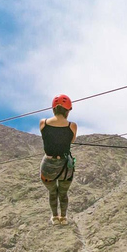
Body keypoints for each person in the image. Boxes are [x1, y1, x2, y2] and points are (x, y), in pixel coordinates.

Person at [40, 94, 78, 225]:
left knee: (52, 192)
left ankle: (54, 217)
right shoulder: (72, 126)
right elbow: (72, 140)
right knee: (63, 193)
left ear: (53, 109)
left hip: (48, 167)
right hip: (65, 168)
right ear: (68, 110)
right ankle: (63, 217)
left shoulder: (43, 123)